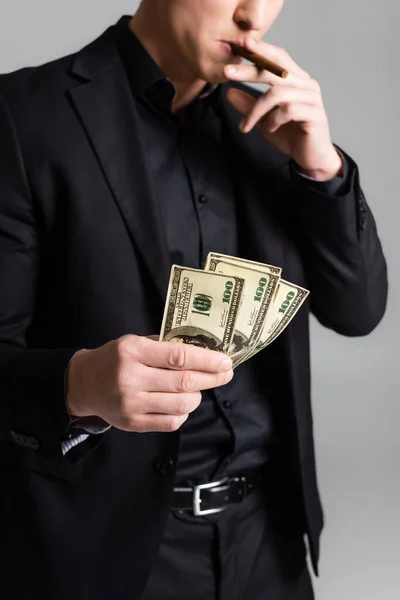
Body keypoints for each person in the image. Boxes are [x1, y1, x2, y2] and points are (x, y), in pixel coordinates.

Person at [0, 1, 388, 599]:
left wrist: (323, 172)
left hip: (271, 544)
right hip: (110, 559)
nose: (253, 15)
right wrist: (79, 384)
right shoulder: (22, 117)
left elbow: (358, 311)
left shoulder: (274, 127)